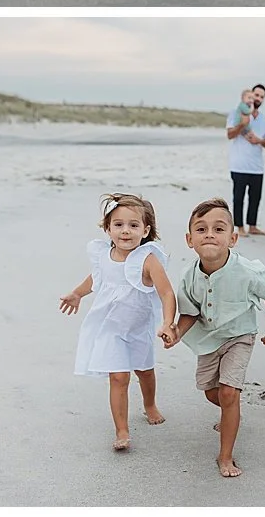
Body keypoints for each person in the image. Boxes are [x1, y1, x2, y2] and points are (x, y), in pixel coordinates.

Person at [168, 198, 265, 479]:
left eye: (218, 229)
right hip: (208, 339)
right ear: (189, 239)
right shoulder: (188, 277)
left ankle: (225, 455)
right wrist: (176, 333)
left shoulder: (247, 272)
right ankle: (232, 412)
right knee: (212, 393)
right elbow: (189, 313)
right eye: (201, 229)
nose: (209, 234)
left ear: (232, 238)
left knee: (229, 393)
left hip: (240, 336)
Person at [59, 193, 177, 451]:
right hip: (110, 328)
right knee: (119, 378)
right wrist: (77, 293)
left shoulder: (148, 259)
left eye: (133, 225)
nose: (126, 231)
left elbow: (166, 292)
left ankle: (149, 404)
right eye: (119, 225)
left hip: (138, 328)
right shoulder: (103, 255)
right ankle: (122, 430)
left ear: (145, 230)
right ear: (108, 228)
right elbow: (96, 278)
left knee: (145, 371)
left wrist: (168, 323)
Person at [226, 86, 265, 238]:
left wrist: (259, 140)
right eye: (256, 95)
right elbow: (229, 134)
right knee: (238, 198)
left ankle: (252, 226)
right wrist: (242, 124)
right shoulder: (235, 114)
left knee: (255, 198)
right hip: (239, 165)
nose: (258, 98)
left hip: (257, 167)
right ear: (249, 96)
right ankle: (240, 227)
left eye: (261, 97)